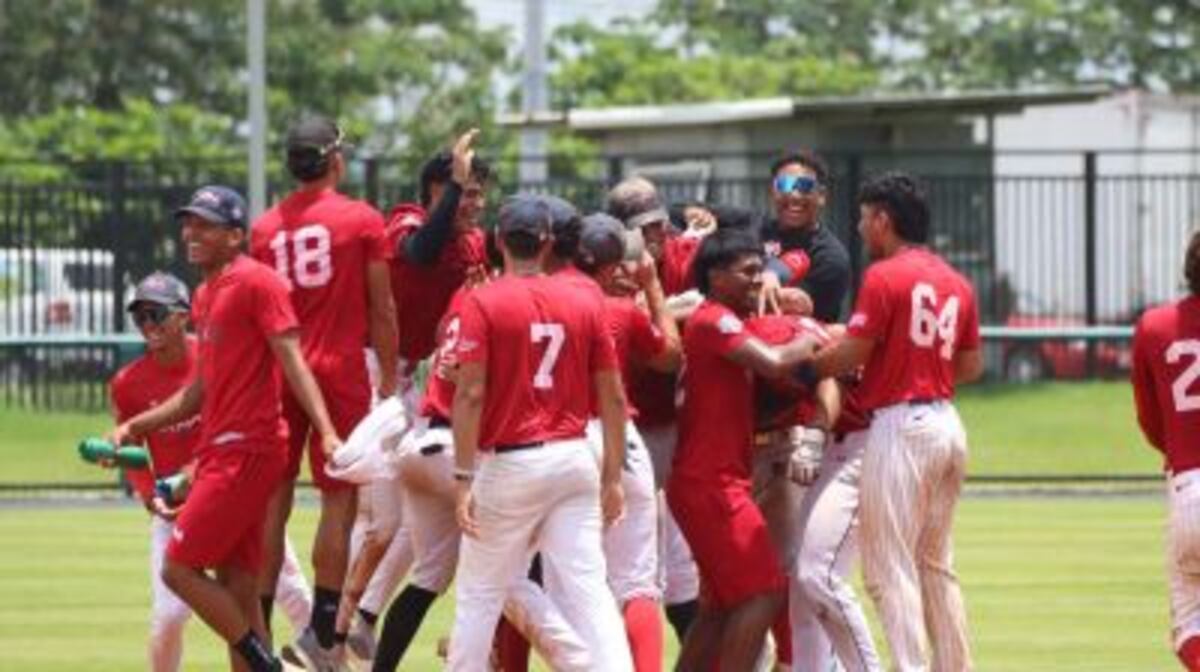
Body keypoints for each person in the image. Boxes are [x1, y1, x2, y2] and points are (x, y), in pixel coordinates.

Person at [110, 185, 343, 672]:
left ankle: (265, 664)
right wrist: (138, 424)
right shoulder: (205, 293)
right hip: (225, 451)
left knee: (177, 569)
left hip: (246, 450)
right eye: (188, 223)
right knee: (238, 582)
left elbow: (294, 362)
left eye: (206, 225)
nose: (191, 232)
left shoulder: (259, 282)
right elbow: (199, 392)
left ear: (237, 235)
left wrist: (326, 431)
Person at [803, 172, 982, 671]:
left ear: (884, 219)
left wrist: (807, 366)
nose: (860, 227)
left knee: (887, 569)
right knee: (934, 563)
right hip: (948, 422)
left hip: (901, 427)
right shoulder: (956, 280)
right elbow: (970, 366)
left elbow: (853, 353)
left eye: (864, 217)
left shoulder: (885, 275)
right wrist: (916, 365)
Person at [447, 196, 633, 671]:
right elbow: (612, 397)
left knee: (480, 593)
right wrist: (612, 475)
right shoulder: (584, 298)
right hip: (574, 457)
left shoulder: (483, 299)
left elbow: (469, 395)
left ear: (498, 240)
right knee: (588, 586)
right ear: (549, 242)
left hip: (512, 461)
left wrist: (463, 478)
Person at [249, 115, 398, 668]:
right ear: (336, 160)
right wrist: (389, 375)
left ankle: (258, 627)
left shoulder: (265, 228)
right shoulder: (360, 218)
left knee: (274, 498)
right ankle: (323, 632)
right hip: (338, 368)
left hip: (281, 369)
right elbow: (381, 306)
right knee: (338, 499)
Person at [666, 227, 817, 669]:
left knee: (718, 605)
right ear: (715, 275)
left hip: (707, 479)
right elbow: (775, 361)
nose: (758, 279)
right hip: (712, 483)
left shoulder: (719, 319)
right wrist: (811, 338)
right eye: (748, 271)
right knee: (764, 591)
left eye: (760, 270)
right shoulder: (716, 318)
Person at [577, 212, 682, 671]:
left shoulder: (541, 300)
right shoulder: (620, 310)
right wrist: (653, 286)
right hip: (621, 441)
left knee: (547, 581)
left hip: (558, 443)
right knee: (637, 583)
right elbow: (670, 358)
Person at [606, 177, 702, 642]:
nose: (657, 238)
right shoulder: (608, 266)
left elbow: (744, 246)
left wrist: (773, 273)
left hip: (679, 424)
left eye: (661, 225)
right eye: (644, 230)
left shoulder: (685, 252)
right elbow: (661, 348)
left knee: (681, 561)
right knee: (627, 565)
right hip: (627, 427)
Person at [1131, 229, 1200, 672]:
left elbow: (1150, 421)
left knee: (1190, 625)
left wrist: (1177, 444)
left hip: (1190, 485)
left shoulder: (1155, 327)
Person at [758, 150, 851, 323]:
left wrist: (767, 276)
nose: (794, 195)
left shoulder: (831, 257)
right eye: (784, 185)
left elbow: (795, 306)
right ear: (772, 192)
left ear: (821, 196)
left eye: (804, 186)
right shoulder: (753, 229)